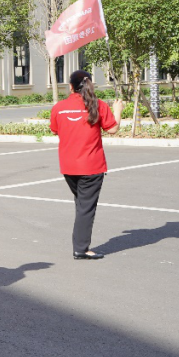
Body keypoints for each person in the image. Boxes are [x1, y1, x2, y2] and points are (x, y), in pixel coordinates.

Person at [50, 70, 124, 260]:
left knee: (82, 203)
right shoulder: (97, 105)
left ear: (71, 87)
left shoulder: (59, 107)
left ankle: (80, 244)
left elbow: (55, 130)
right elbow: (113, 129)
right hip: (91, 166)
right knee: (85, 207)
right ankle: (81, 249)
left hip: (68, 166)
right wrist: (118, 109)